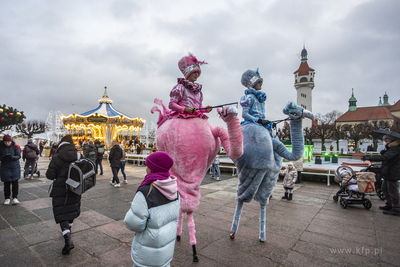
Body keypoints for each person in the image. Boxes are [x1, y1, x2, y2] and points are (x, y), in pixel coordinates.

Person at [124, 151, 179, 267]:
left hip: (147, 254)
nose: (146, 168)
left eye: (148, 165)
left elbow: (134, 223)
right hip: (166, 252)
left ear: (153, 168)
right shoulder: (174, 189)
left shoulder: (145, 191)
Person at [46, 135, 81, 254]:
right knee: (71, 209)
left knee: (62, 213)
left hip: (61, 190)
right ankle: (68, 229)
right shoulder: (79, 156)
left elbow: (49, 175)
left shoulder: (56, 157)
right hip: (75, 188)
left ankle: (68, 239)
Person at [363, 134, 400, 216]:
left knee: (392, 190)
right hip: (388, 172)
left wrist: (370, 158)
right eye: (384, 139)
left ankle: (396, 208)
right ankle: (389, 204)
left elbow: (386, 158)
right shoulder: (390, 148)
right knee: (384, 188)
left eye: (386, 139)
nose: (385, 141)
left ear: (392, 140)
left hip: (392, 172)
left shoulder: (395, 149)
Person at [168, 53, 212, 120]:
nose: (197, 74)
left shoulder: (198, 91)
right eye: (194, 72)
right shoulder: (180, 87)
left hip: (196, 119)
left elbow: (199, 107)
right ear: (189, 74)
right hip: (182, 120)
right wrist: (185, 109)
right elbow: (171, 104)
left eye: (198, 72)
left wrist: (206, 109)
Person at [0, 135, 21, 205]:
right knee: (7, 184)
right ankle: (7, 198)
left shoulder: (15, 147)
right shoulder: (1, 148)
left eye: (8, 142)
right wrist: (4, 157)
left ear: (11, 141)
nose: (7, 143)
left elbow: (19, 156)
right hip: (5, 168)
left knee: (15, 183)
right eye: (5, 142)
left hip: (14, 167)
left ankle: (15, 197)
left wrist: (12, 157)